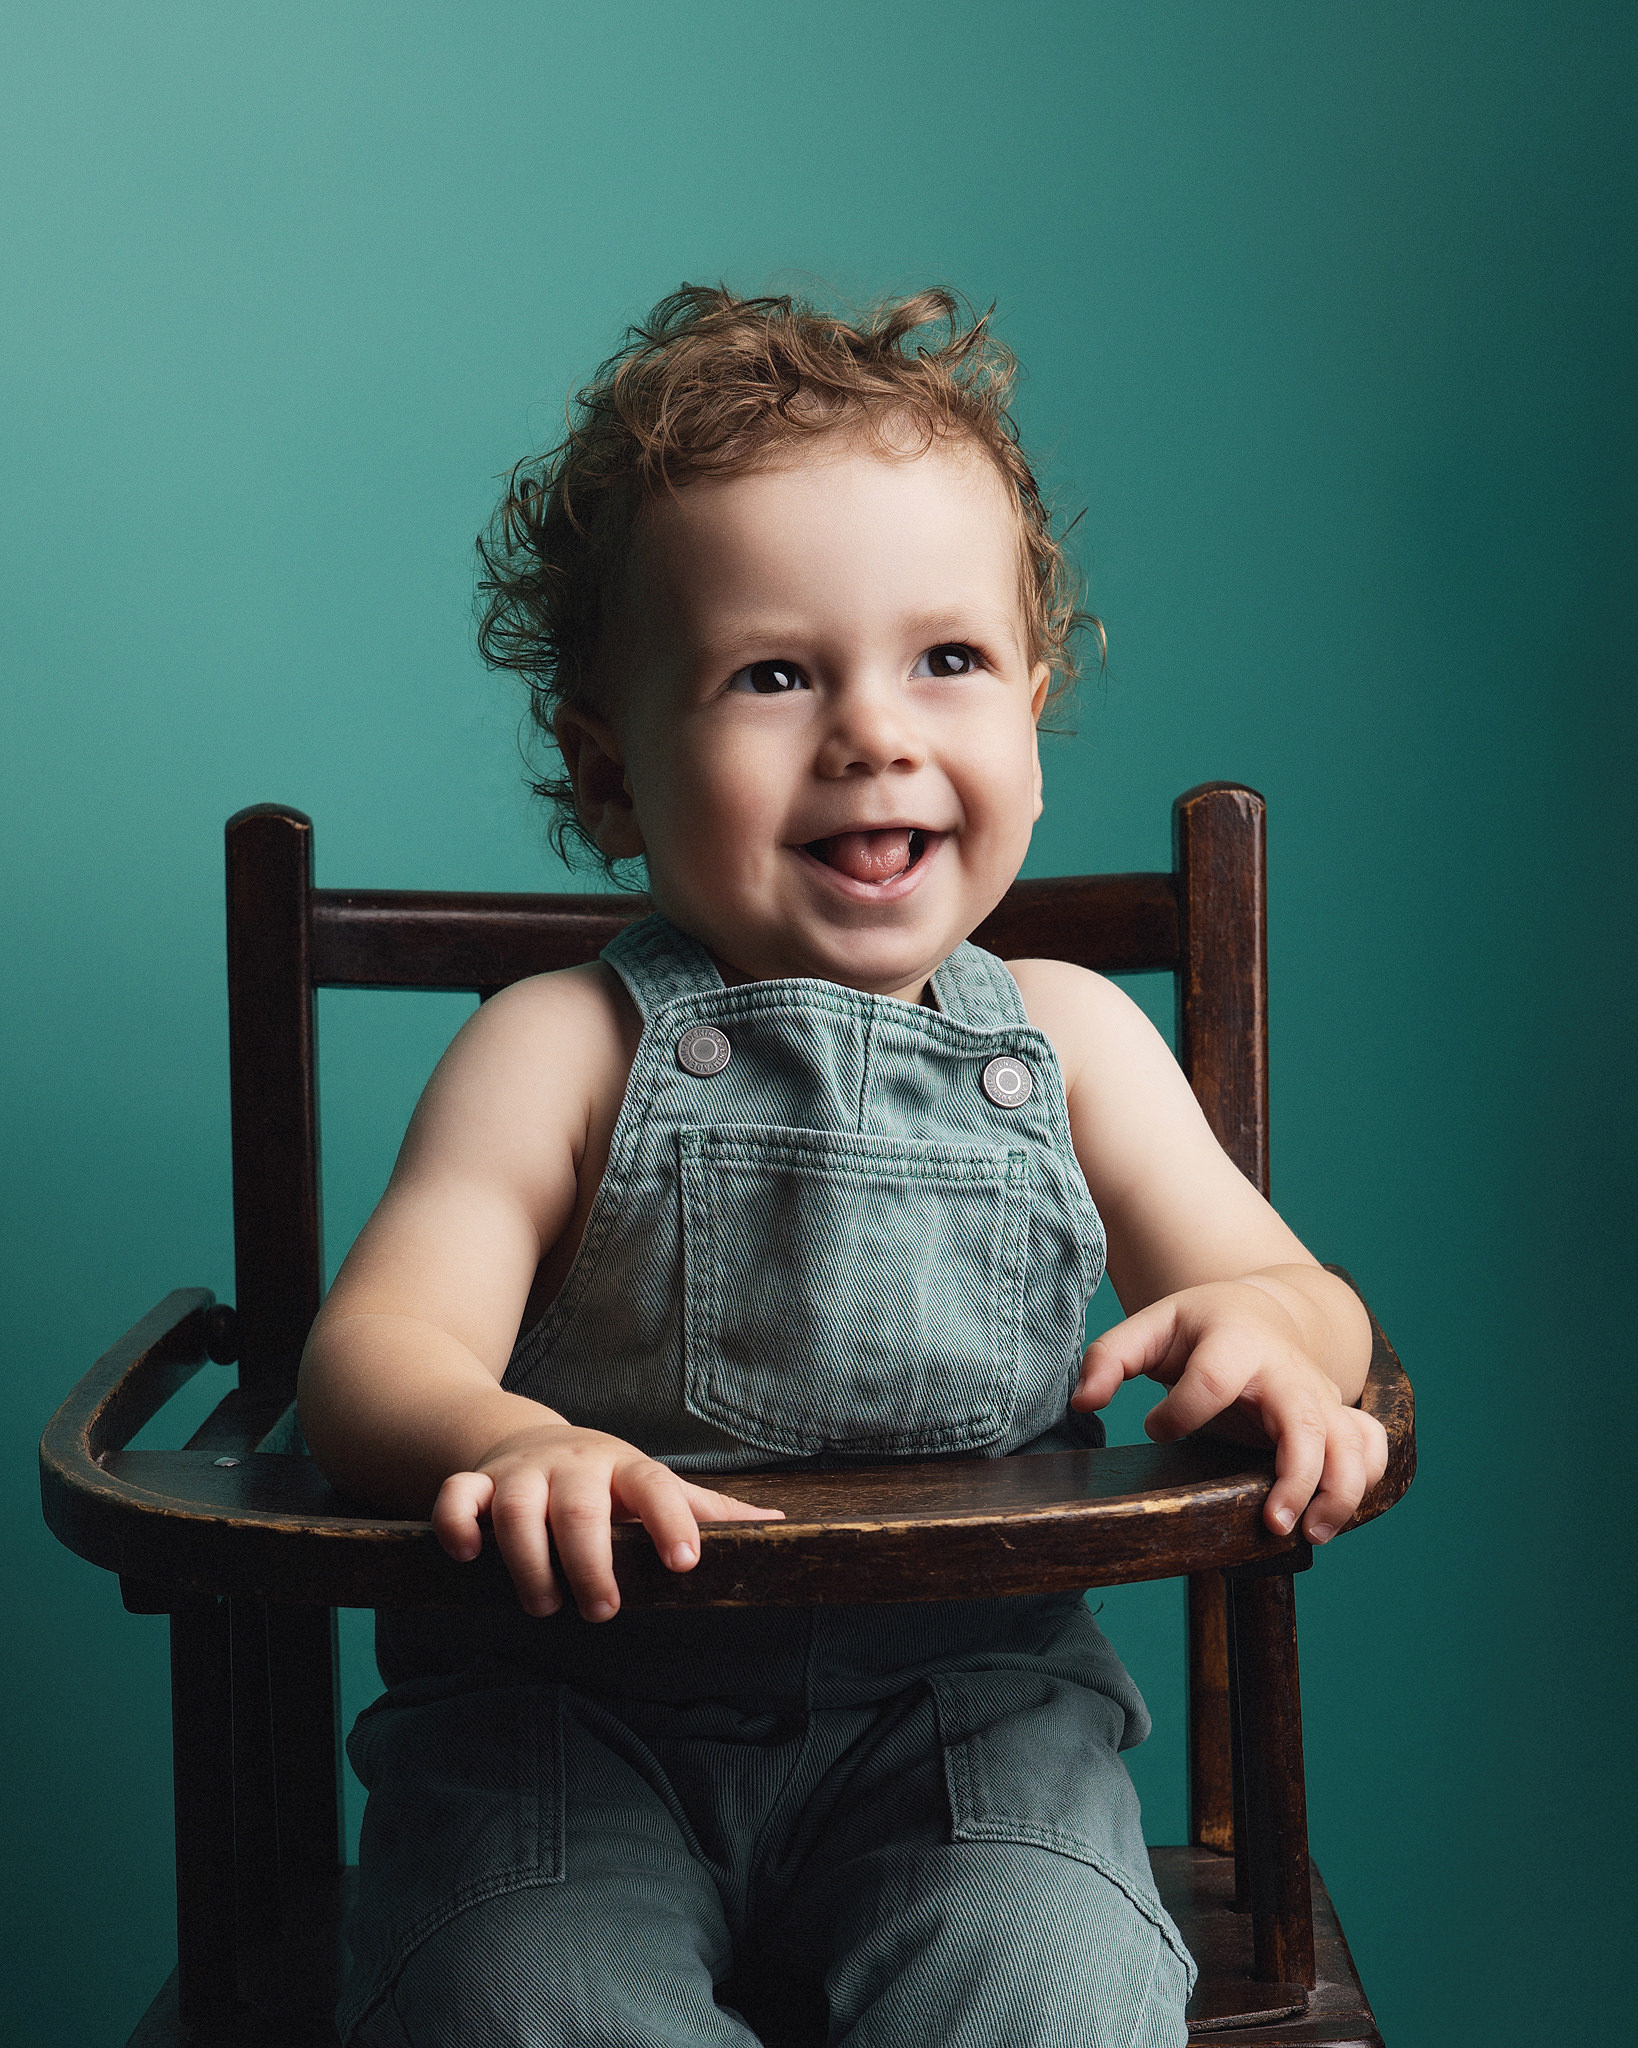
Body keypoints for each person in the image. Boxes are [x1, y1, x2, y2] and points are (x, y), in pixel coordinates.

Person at [299, 285, 1388, 2048]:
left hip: (970, 1725)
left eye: (945, 660)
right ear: (609, 773)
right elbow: (369, 1360)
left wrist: (1277, 1338)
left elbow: (1291, 1291)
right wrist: (507, 1437)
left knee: (1052, 1985)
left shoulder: (1069, 1037)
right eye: (773, 674)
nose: (872, 731)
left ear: (1031, 711)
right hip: (572, 1726)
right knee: (517, 2002)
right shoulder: (554, 1046)